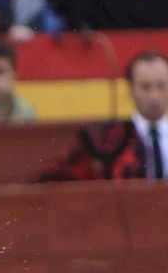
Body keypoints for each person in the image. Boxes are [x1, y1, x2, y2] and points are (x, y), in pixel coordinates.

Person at [39, 51, 168, 181]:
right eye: (145, 87)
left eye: (161, 86)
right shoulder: (104, 137)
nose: (154, 96)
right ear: (130, 89)